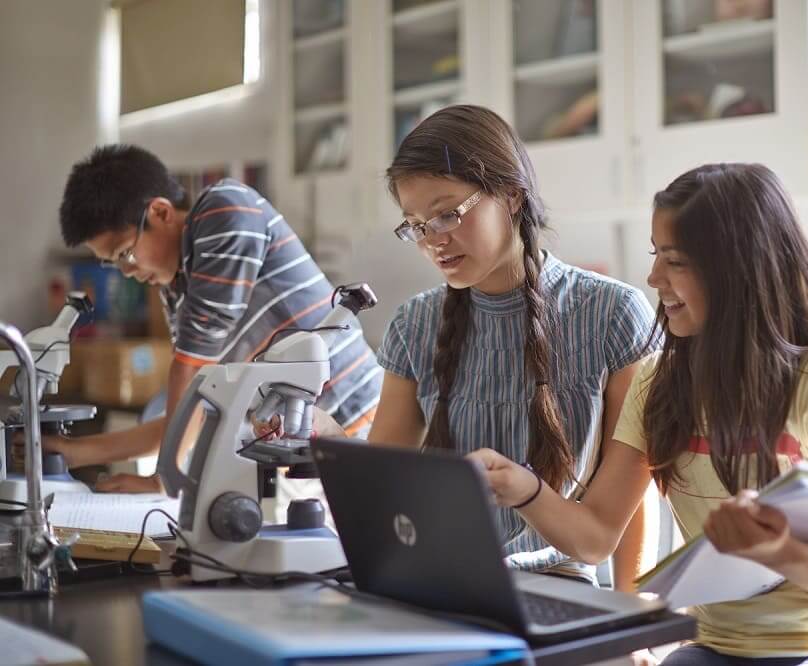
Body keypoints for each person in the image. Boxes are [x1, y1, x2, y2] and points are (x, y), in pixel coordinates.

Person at [470, 163, 808, 664]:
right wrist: (525, 490)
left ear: (738, 268)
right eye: (657, 257)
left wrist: (777, 549)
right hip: (713, 648)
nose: (653, 277)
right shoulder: (657, 383)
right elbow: (594, 539)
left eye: (674, 262)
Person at [355, 104, 659, 588]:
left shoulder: (613, 314)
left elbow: (628, 497)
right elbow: (382, 494)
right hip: (434, 582)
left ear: (512, 196)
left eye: (447, 214)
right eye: (415, 225)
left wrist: (635, 612)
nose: (434, 240)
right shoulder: (414, 324)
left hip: (558, 582)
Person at [50, 144, 383, 492]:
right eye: (113, 263)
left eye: (125, 253)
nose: (127, 271)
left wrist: (165, 479)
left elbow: (192, 371)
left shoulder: (224, 209)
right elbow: (195, 410)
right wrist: (74, 452)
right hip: (301, 456)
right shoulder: (177, 287)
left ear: (161, 213)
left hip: (363, 428)